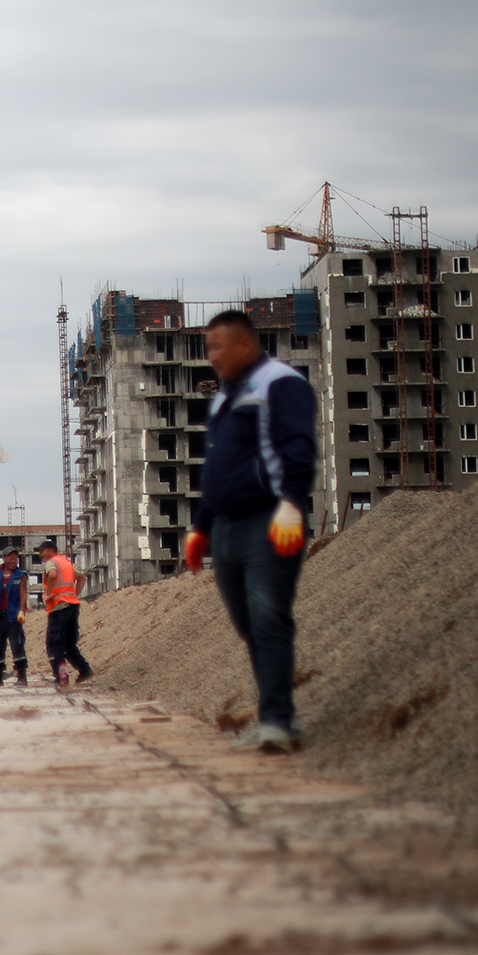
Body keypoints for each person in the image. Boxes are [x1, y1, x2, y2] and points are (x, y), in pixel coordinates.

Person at [183, 309, 317, 753]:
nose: (211, 357)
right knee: (248, 625)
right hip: (226, 529)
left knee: (268, 618)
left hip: (269, 522)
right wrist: (201, 527)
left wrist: (292, 504)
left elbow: (297, 447)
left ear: (244, 344)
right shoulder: (224, 397)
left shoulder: (280, 383)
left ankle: (279, 721)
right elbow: (218, 468)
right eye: (207, 348)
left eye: (217, 346)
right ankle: (274, 716)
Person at [36, 538, 92, 687]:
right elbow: (81, 578)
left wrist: (49, 593)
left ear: (51, 551)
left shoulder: (51, 562)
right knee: (68, 644)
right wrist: (74, 595)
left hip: (59, 607)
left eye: (43, 551)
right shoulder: (65, 563)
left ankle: (61, 676)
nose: (41, 554)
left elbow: (53, 576)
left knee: (54, 643)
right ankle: (84, 670)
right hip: (72, 606)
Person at [0, 548, 31, 686]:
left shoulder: (21, 575)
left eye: (16, 558)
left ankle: (22, 678)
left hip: (13, 617)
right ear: (4, 559)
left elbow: (23, 593)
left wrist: (22, 610)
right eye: (11, 558)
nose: (14, 561)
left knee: (17, 645)